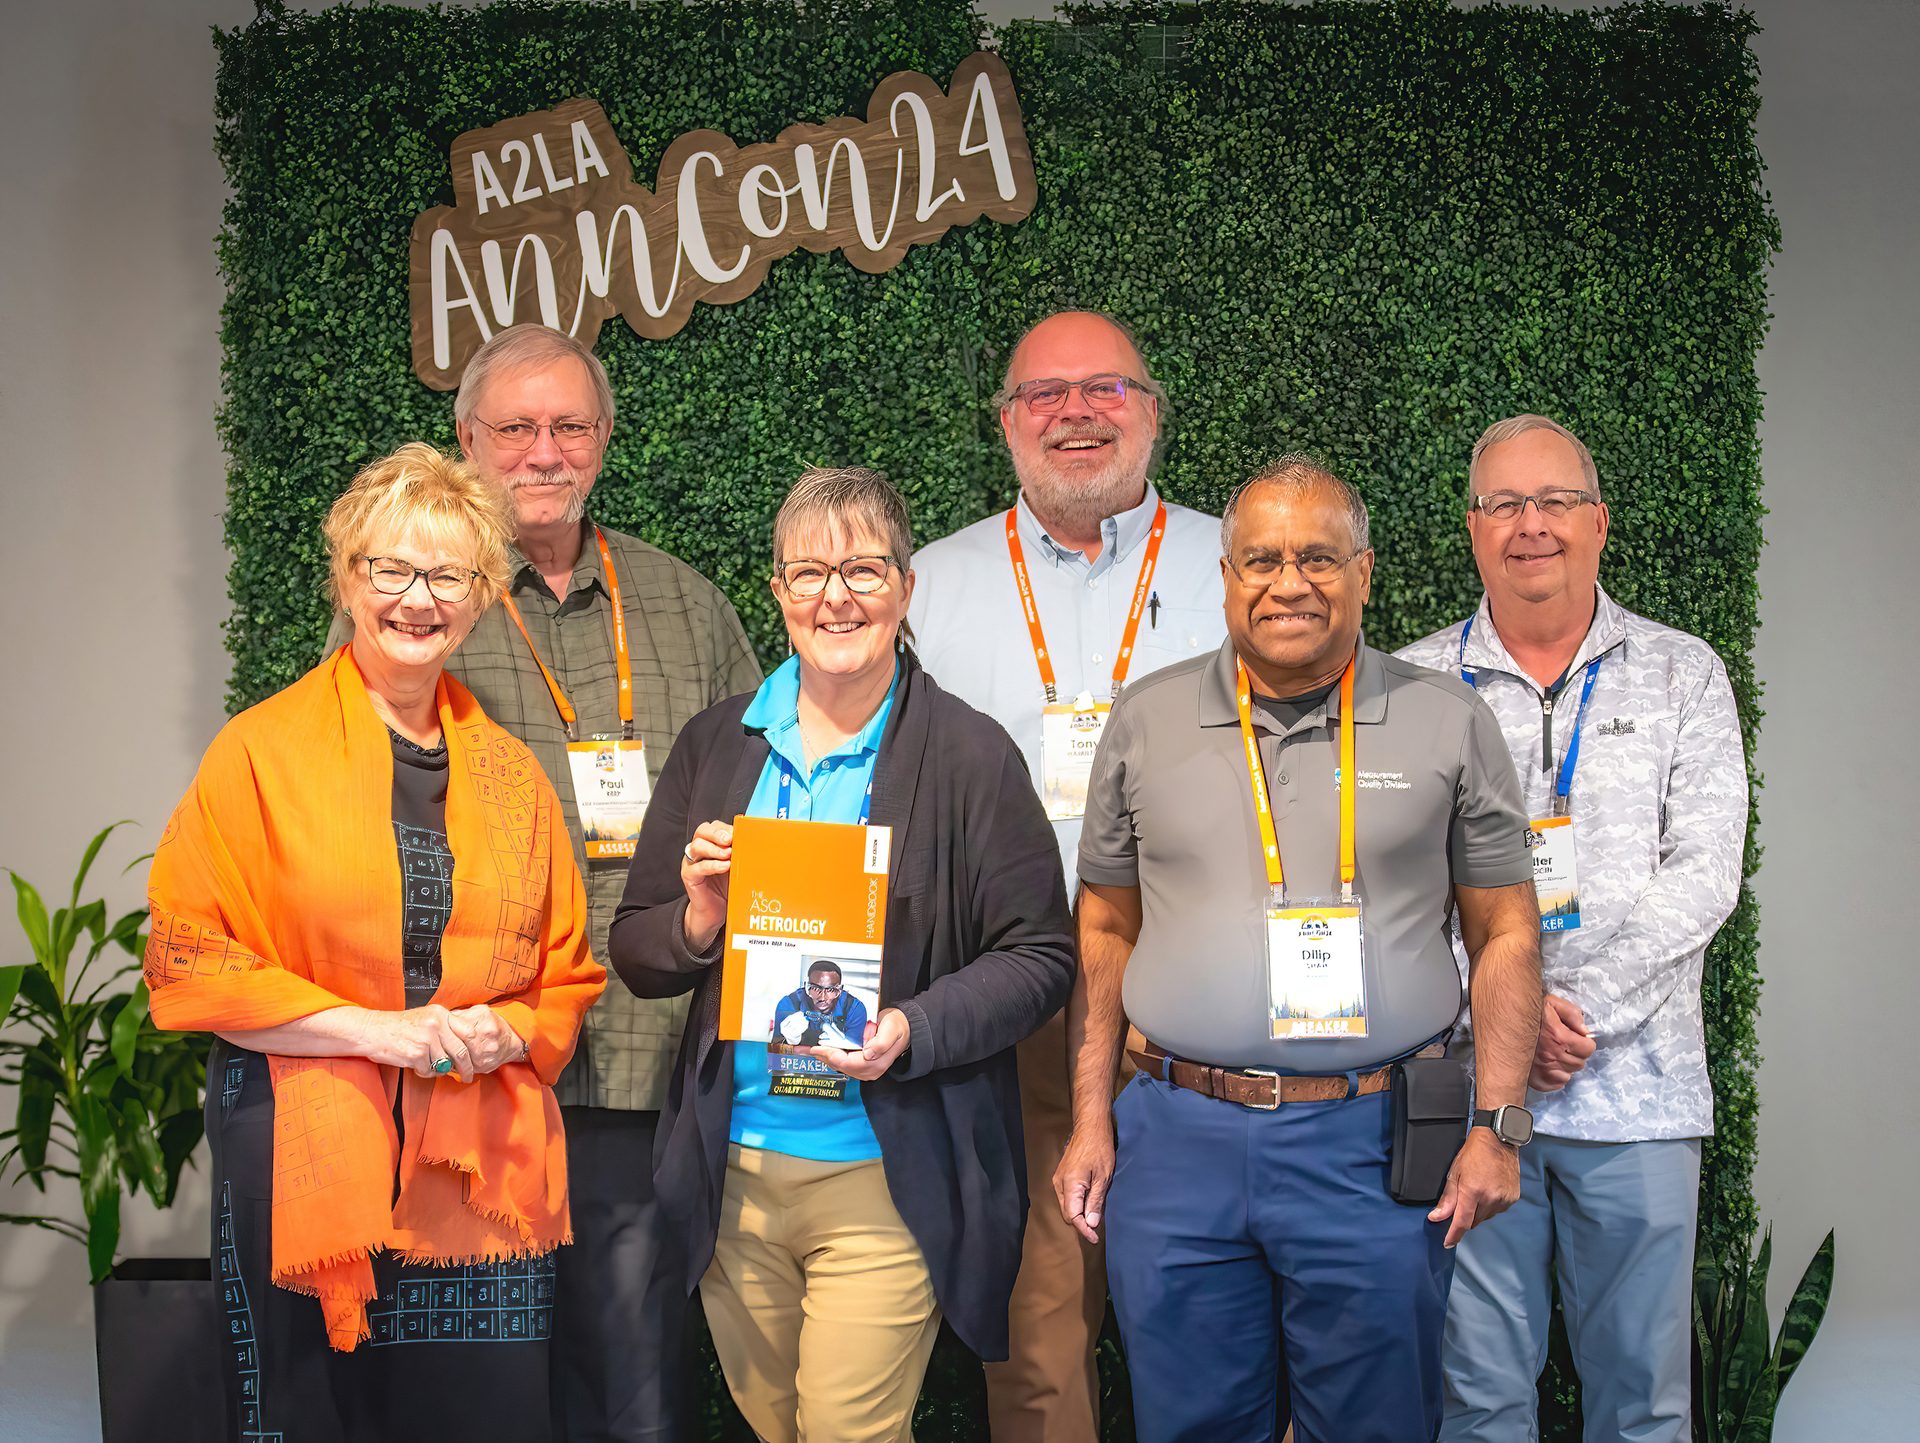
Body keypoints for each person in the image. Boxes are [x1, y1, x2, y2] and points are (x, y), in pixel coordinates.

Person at [324, 323, 761, 1440]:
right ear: (467, 440)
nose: (543, 452)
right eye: (514, 429)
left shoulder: (687, 605)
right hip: (468, 1066)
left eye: (569, 426)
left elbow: (769, 802)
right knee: (481, 1385)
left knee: (635, 1379)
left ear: (604, 440)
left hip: (642, 1061)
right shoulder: (417, 608)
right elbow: (341, 808)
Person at [1057, 456, 1545, 1443]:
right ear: (1228, 577)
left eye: (1319, 559)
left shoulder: (1448, 720)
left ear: (1365, 573)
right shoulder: (1145, 722)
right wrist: (1091, 1120)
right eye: (1263, 560)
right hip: (1177, 1136)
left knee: (1373, 1426)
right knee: (1191, 1422)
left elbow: (1506, 930)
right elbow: (1104, 926)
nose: (1290, 583)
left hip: (1367, 1145)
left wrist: (1498, 1126)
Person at [146, 443, 606, 1441]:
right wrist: (371, 1031)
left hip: (480, 1170)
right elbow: (187, 953)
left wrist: (508, 1032)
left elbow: (563, 972)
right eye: (389, 568)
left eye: (446, 574)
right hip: (302, 1146)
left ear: (480, 595)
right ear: (348, 577)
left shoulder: (514, 776)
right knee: (319, 1418)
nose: (416, 598)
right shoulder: (260, 752)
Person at [607, 467, 1076, 1443]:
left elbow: (1039, 956)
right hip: (736, 1169)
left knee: (845, 1431)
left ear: (906, 588)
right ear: (776, 592)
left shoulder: (967, 755)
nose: (836, 596)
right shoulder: (718, 744)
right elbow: (639, 947)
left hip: (885, 1166)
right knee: (777, 1426)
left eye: (863, 569)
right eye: (809, 572)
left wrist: (913, 1025)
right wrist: (698, 921)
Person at [1396, 415, 1748, 1443]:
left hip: (1640, 1099)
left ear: (1598, 522)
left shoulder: (1684, 672)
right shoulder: (1411, 688)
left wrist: (1573, 1010)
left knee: (1645, 1407)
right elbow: (1392, 884)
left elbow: (1707, 872)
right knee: (1479, 1402)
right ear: (1472, 529)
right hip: (1467, 1102)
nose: (1530, 526)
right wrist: (1506, 1015)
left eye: (1554, 502)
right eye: (1504, 504)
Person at [907, 310, 1225, 1443]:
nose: (1076, 413)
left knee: (1214, 1308)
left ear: (1151, 412)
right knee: (1039, 1320)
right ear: (1004, 424)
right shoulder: (929, 586)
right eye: (1044, 394)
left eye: (1105, 389)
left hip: (1202, 989)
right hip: (1022, 991)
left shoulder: (1240, 562)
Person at [772, 961, 871, 1049]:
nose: (822, 998)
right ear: (807, 986)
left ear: (840, 990)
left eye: (831, 990)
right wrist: (787, 1043)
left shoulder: (854, 1009)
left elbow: (855, 1060)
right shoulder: (789, 1004)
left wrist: (844, 1048)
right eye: (815, 988)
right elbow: (773, 1058)